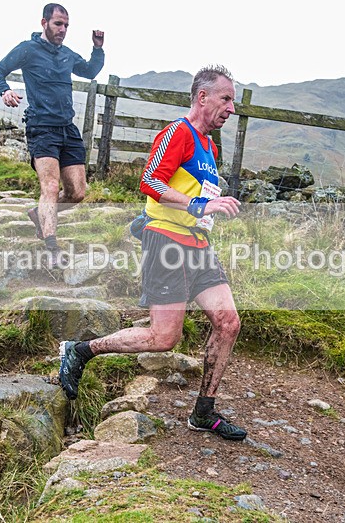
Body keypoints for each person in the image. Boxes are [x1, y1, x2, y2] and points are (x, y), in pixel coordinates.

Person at [58, 64, 247, 441]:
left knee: (228, 323)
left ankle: (203, 413)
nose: (231, 108)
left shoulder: (210, 145)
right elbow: (151, 180)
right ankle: (79, 350)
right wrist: (197, 206)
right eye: (226, 99)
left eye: (234, 101)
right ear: (202, 96)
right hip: (167, 243)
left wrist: (207, 208)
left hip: (197, 245)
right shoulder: (179, 131)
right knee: (164, 338)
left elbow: (186, 191)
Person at [0, 3, 105, 265]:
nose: (62, 30)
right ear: (44, 23)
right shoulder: (28, 50)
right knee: (51, 186)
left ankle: (39, 212)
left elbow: (89, 71)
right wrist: (4, 90)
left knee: (77, 193)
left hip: (68, 128)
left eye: (66, 25)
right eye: (57, 24)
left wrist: (97, 49)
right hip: (41, 126)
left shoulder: (67, 54)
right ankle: (51, 247)